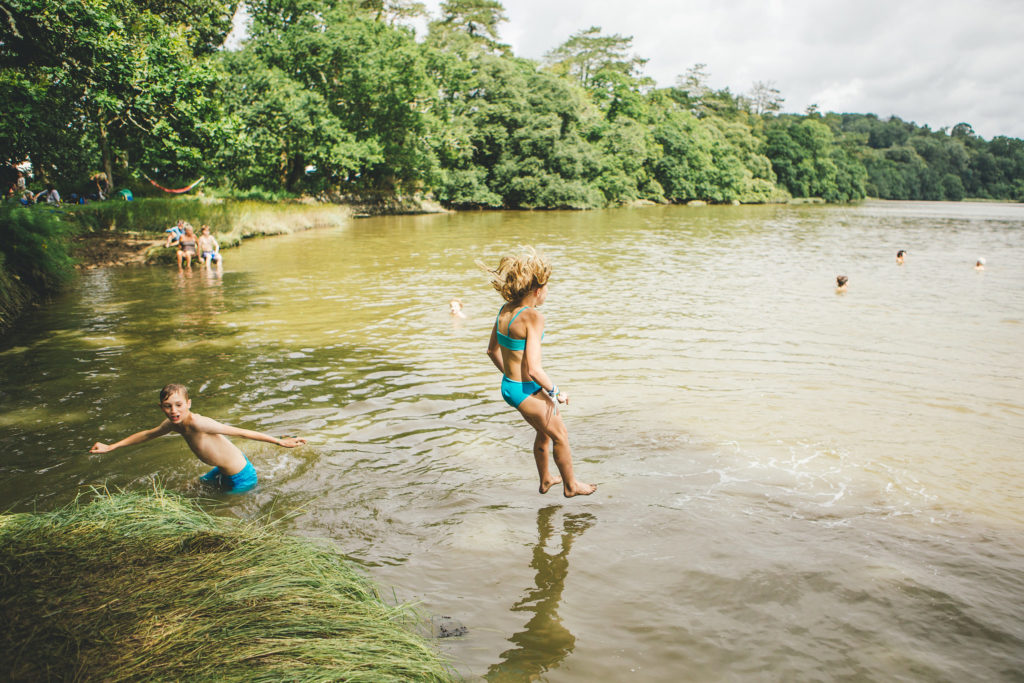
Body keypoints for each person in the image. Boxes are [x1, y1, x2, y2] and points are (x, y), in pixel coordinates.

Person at [482, 246, 597, 498]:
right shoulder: (533, 317)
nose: (547, 293)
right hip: (525, 389)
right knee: (561, 435)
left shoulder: (505, 311)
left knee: (544, 433)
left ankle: (546, 479)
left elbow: (492, 351)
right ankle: (571, 486)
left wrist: (511, 380)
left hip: (510, 386)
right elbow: (534, 369)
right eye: (546, 288)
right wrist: (556, 392)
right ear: (537, 291)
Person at [89, 383, 306, 493]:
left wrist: (279, 441)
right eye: (168, 406)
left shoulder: (198, 423)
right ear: (161, 407)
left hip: (242, 476)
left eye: (178, 405)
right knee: (183, 491)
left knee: (225, 513)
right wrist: (111, 447)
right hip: (219, 471)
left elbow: (240, 431)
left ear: (188, 404)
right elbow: (147, 435)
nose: (174, 411)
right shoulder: (172, 424)